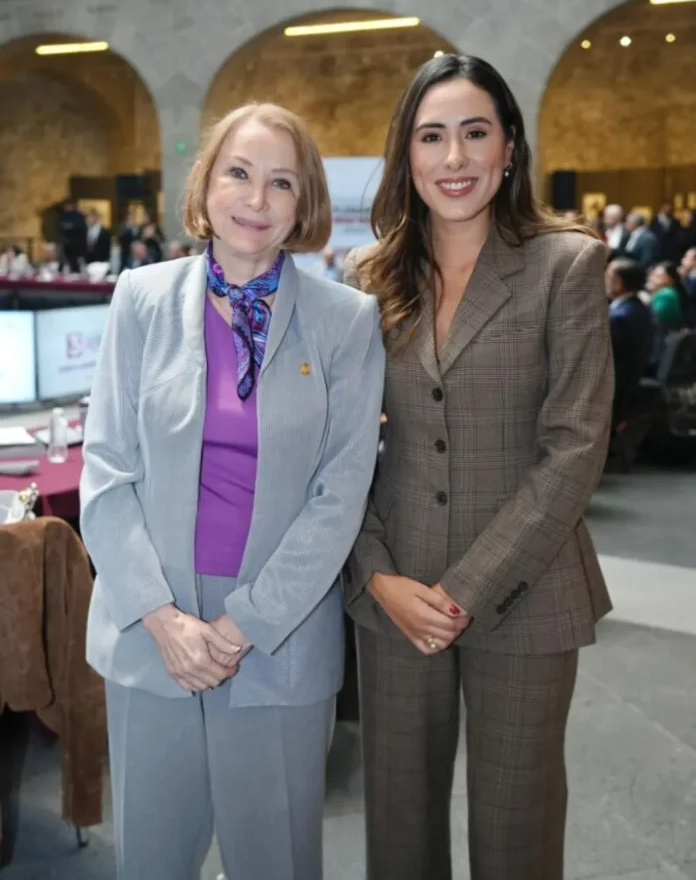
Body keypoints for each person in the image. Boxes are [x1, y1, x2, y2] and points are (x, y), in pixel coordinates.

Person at [80, 102, 385, 880]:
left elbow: (340, 492)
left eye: (282, 182)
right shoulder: (140, 299)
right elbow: (106, 470)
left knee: (276, 862)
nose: (256, 198)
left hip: (280, 632)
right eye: (239, 173)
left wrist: (244, 622)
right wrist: (163, 619)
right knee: (151, 860)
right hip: (152, 630)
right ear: (206, 183)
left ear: (304, 202)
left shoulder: (347, 321)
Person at [343, 53, 614, 880]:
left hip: (528, 588)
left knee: (514, 831)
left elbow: (575, 445)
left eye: (474, 133)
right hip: (396, 592)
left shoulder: (565, 264)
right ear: (407, 153)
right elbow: (341, 450)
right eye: (432, 136)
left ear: (509, 147)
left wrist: (465, 589)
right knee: (398, 829)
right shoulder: (369, 277)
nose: (454, 157)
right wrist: (378, 576)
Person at [605, 259, 654, 427]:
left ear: (619, 283)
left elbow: (608, 358)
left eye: (608, 276)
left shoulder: (622, 317)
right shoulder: (636, 307)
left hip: (614, 390)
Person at [647, 260, 687, 330]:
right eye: (653, 275)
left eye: (659, 276)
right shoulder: (658, 293)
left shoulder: (667, 295)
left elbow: (655, 318)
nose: (652, 279)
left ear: (672, 280)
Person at [59, 200, 87, 273]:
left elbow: (81, 228)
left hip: (77, 244)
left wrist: (71, 226)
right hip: (66, 243)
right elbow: (60, 227)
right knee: (65, 261)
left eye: (67, 206)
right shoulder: (63, 215)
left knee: (76, 263)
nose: (66, 208)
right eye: (65, 206)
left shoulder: (79, 216)